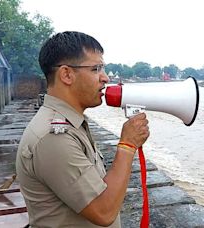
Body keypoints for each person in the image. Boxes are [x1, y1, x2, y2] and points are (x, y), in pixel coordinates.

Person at [16, 31, 150, 227]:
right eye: (96, 69)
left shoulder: (71, 124)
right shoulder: (52, 138)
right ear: (67, 74)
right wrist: (127, 145)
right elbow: (104, 212)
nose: (105, 78)